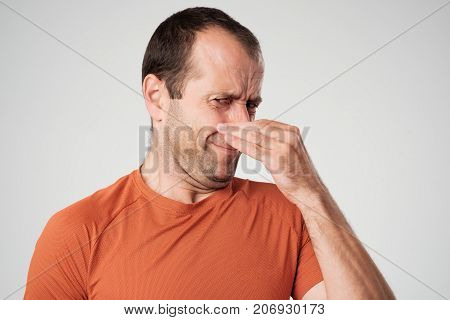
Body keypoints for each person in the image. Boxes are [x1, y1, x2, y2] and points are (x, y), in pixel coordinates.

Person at [23, 7, 395, 300]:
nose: (242, 124)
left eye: (250, 105)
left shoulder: (290, 214)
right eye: (221, 101)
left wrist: (312, 192)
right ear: (157, 97)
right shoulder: (78, 232)